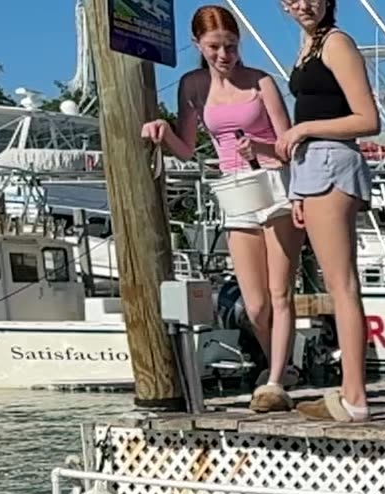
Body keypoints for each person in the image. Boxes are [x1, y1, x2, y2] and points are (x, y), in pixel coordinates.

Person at [142, 6, 299, 414]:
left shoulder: (261, 82)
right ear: (198, 45)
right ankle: (282, 365)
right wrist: (161, 131)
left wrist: (259, 147)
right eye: (215, 47)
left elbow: (288, 145)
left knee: (280, 293)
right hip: (235, 191)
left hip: (274, 186)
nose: (224, 55)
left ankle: (276, 378)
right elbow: (188, 147)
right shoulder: (193, 86)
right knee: (255, 304)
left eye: (230, 46)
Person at [279, 0, 379, 422]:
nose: (304, 4)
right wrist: (298, 191)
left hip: (330, 162)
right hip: (311, 169)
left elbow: (367, 119)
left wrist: (303, 129)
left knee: (342, 285)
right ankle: (348, 389)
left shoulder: (336, 44)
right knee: (336, 282)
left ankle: (354, 396)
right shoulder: (307, 46)